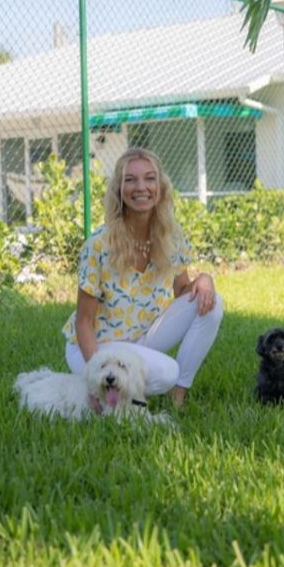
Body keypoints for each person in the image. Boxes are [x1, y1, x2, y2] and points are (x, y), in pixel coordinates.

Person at [61, 147, 223, 409]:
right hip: (98, 347)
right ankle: (109, 391)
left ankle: (178, 395)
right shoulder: (99, 245)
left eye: (149, 178)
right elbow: (84, 322)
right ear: (119, 189)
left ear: (160, 186)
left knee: (212, 303)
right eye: (130, 179)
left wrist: (204, 279)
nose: (141, 187)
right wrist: (94, 378)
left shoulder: (170, 236)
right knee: (166, 372)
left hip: (144, 337)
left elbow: (183, 291)